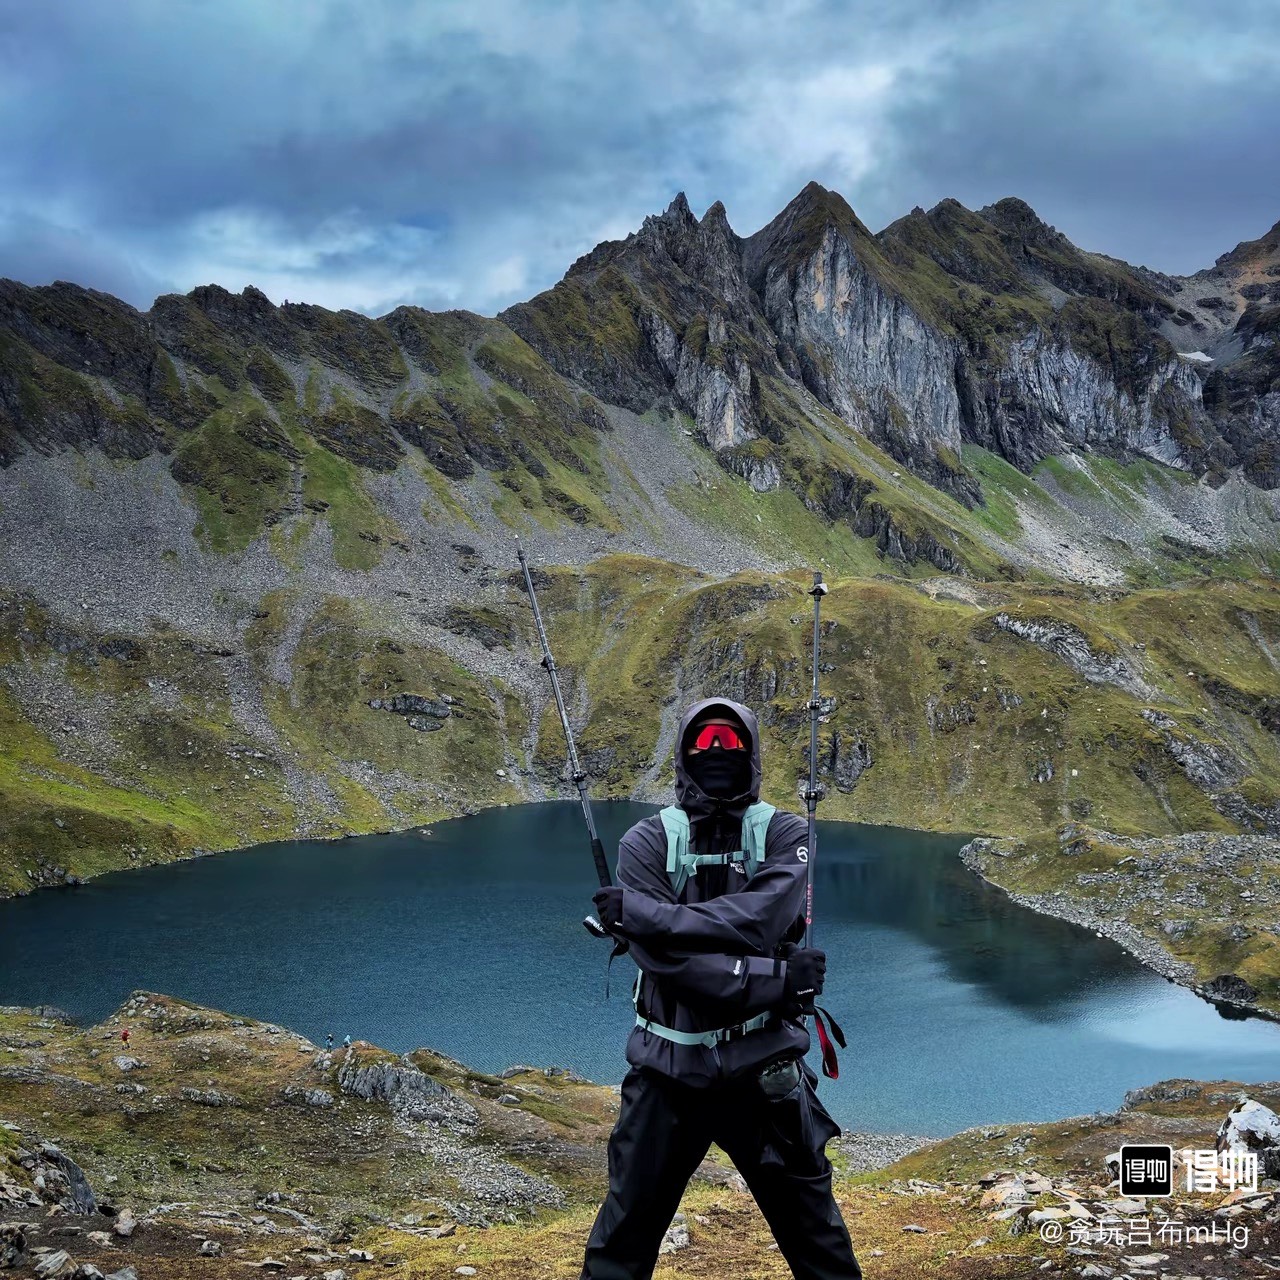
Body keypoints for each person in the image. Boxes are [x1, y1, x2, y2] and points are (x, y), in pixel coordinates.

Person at [582, 696, 861, 1280]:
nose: (716, 752)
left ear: (751, 751)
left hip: (764, 1074)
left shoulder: (788, 833)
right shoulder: (645, 841)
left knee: (819, 1243)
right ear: (683, 752)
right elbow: (667, 964)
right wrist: (777, 980)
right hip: (666, 1075)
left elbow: (760, 921)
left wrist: (644, 914)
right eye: (703, 740)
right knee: (621, 1244)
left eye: (730, 741)